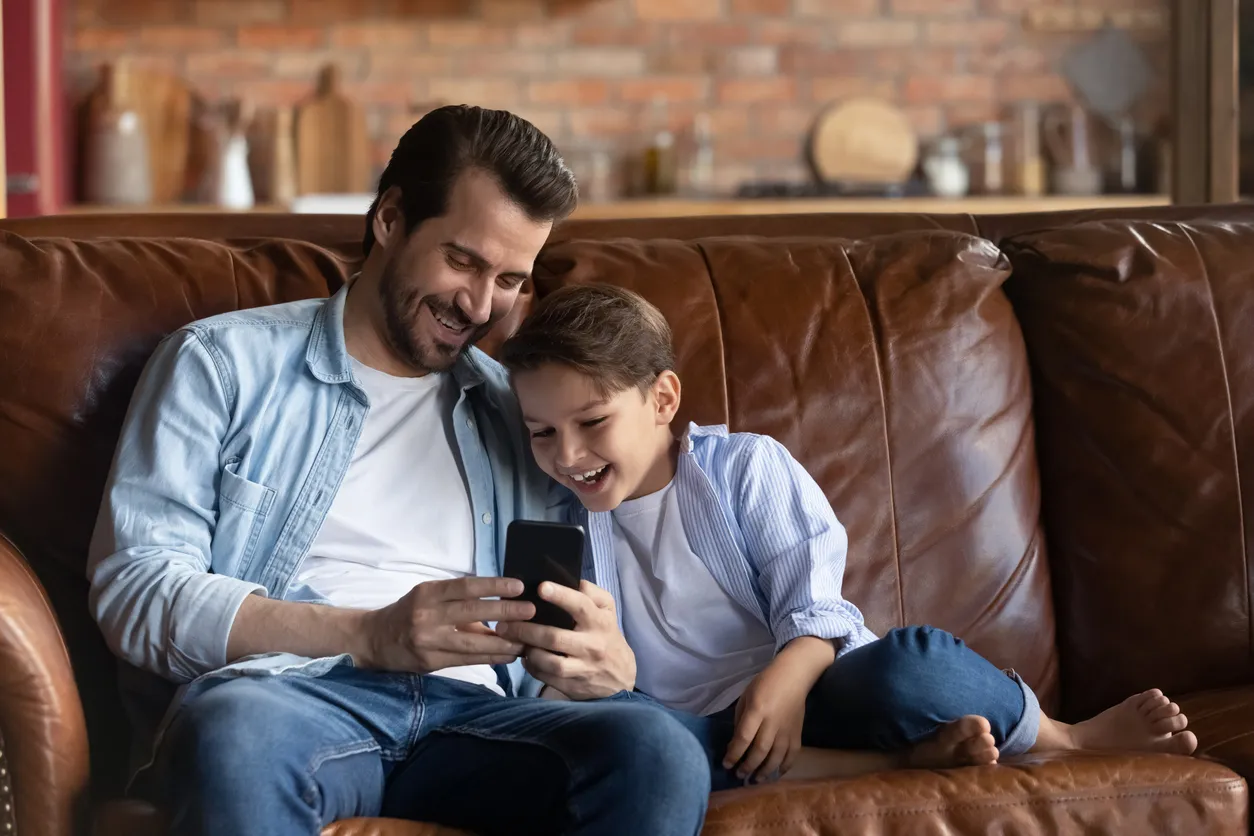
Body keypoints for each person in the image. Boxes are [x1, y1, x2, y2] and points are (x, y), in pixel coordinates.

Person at [87, 108, 711, 836]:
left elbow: (568, 616)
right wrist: (371, 634)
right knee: (236, 735)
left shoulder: (524, 415)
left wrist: (598, 663)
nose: (479, 306)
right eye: (465, 261)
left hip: (479, 718)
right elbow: (137, 590)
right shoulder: (221, 364)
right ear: (389, 218)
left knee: (655, 749)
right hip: (288, 701)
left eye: (510, 279)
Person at [498, 283, 1200, 791]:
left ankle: (1060, 738)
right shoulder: (562, 522)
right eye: (541, 432)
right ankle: (899, 767)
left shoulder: (743, 467)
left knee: (912, 662)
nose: (566, 455)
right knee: (640, 741)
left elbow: (817, 606)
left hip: (820, 693)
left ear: (662, 399)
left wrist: (785, 682)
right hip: (700, 734)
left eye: (592, 423)